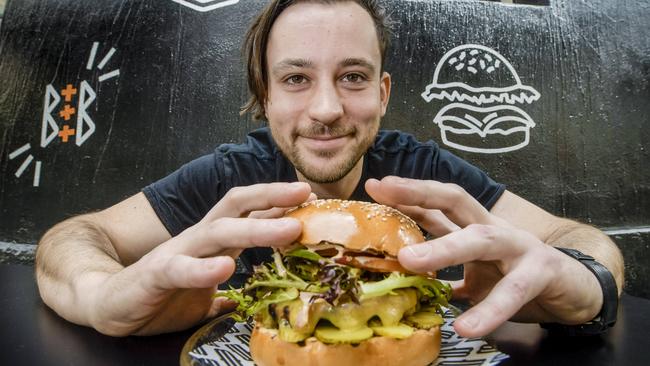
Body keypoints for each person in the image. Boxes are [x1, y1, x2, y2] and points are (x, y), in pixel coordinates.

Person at [35, 0, 624, 338]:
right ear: (265, 96)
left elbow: (576, 240)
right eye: (296, 79)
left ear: (383, 91)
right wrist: (99, 295)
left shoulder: (423, 177)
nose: (326, 109)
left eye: (353, 76)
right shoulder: (231, 180)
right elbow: (74, 237)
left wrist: (586, 285)